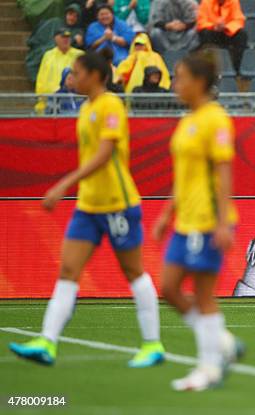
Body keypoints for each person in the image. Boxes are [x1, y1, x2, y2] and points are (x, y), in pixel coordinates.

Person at [9, 51, 165, 368]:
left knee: (133, 271)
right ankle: (47, 342)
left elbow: (106, 154)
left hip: (117, 204)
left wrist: (64, 183)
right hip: (88, 206)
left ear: (95, 75)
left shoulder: (110, 105)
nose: (72, 77)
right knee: (68, 270)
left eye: (77, 72)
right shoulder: (87, 108)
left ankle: (152, 344)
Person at [152, 51, 244, 391]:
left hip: (207, 220)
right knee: (169, 288)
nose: (175, 84)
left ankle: (209, 369)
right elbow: (185, 177)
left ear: (199, 82)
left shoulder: (215, 119)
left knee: (203, 295)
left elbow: (223, 172)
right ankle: (224, 344)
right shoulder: (187, 120)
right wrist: (166, 213)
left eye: (180, 78)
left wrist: (222, 222)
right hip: (184, 220)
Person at [35, 27, 84, 113]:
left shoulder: (79, 55)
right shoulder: (48, 55)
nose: (66, 40)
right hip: (50, 100)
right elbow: (41, 79)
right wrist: (40, 101)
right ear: (55, 38)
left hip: (73, 99)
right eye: (63, 37)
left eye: (68, 37)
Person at [197, 0, 247, 74]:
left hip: (228, 32)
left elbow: (239, 20)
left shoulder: (234, 2)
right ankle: (209, 69)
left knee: (242, 35)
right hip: (212, 32)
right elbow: (201, 22)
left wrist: (226, 27)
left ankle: (236, 68)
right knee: (205, 33)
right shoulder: (206, 2)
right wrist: (214, 26)